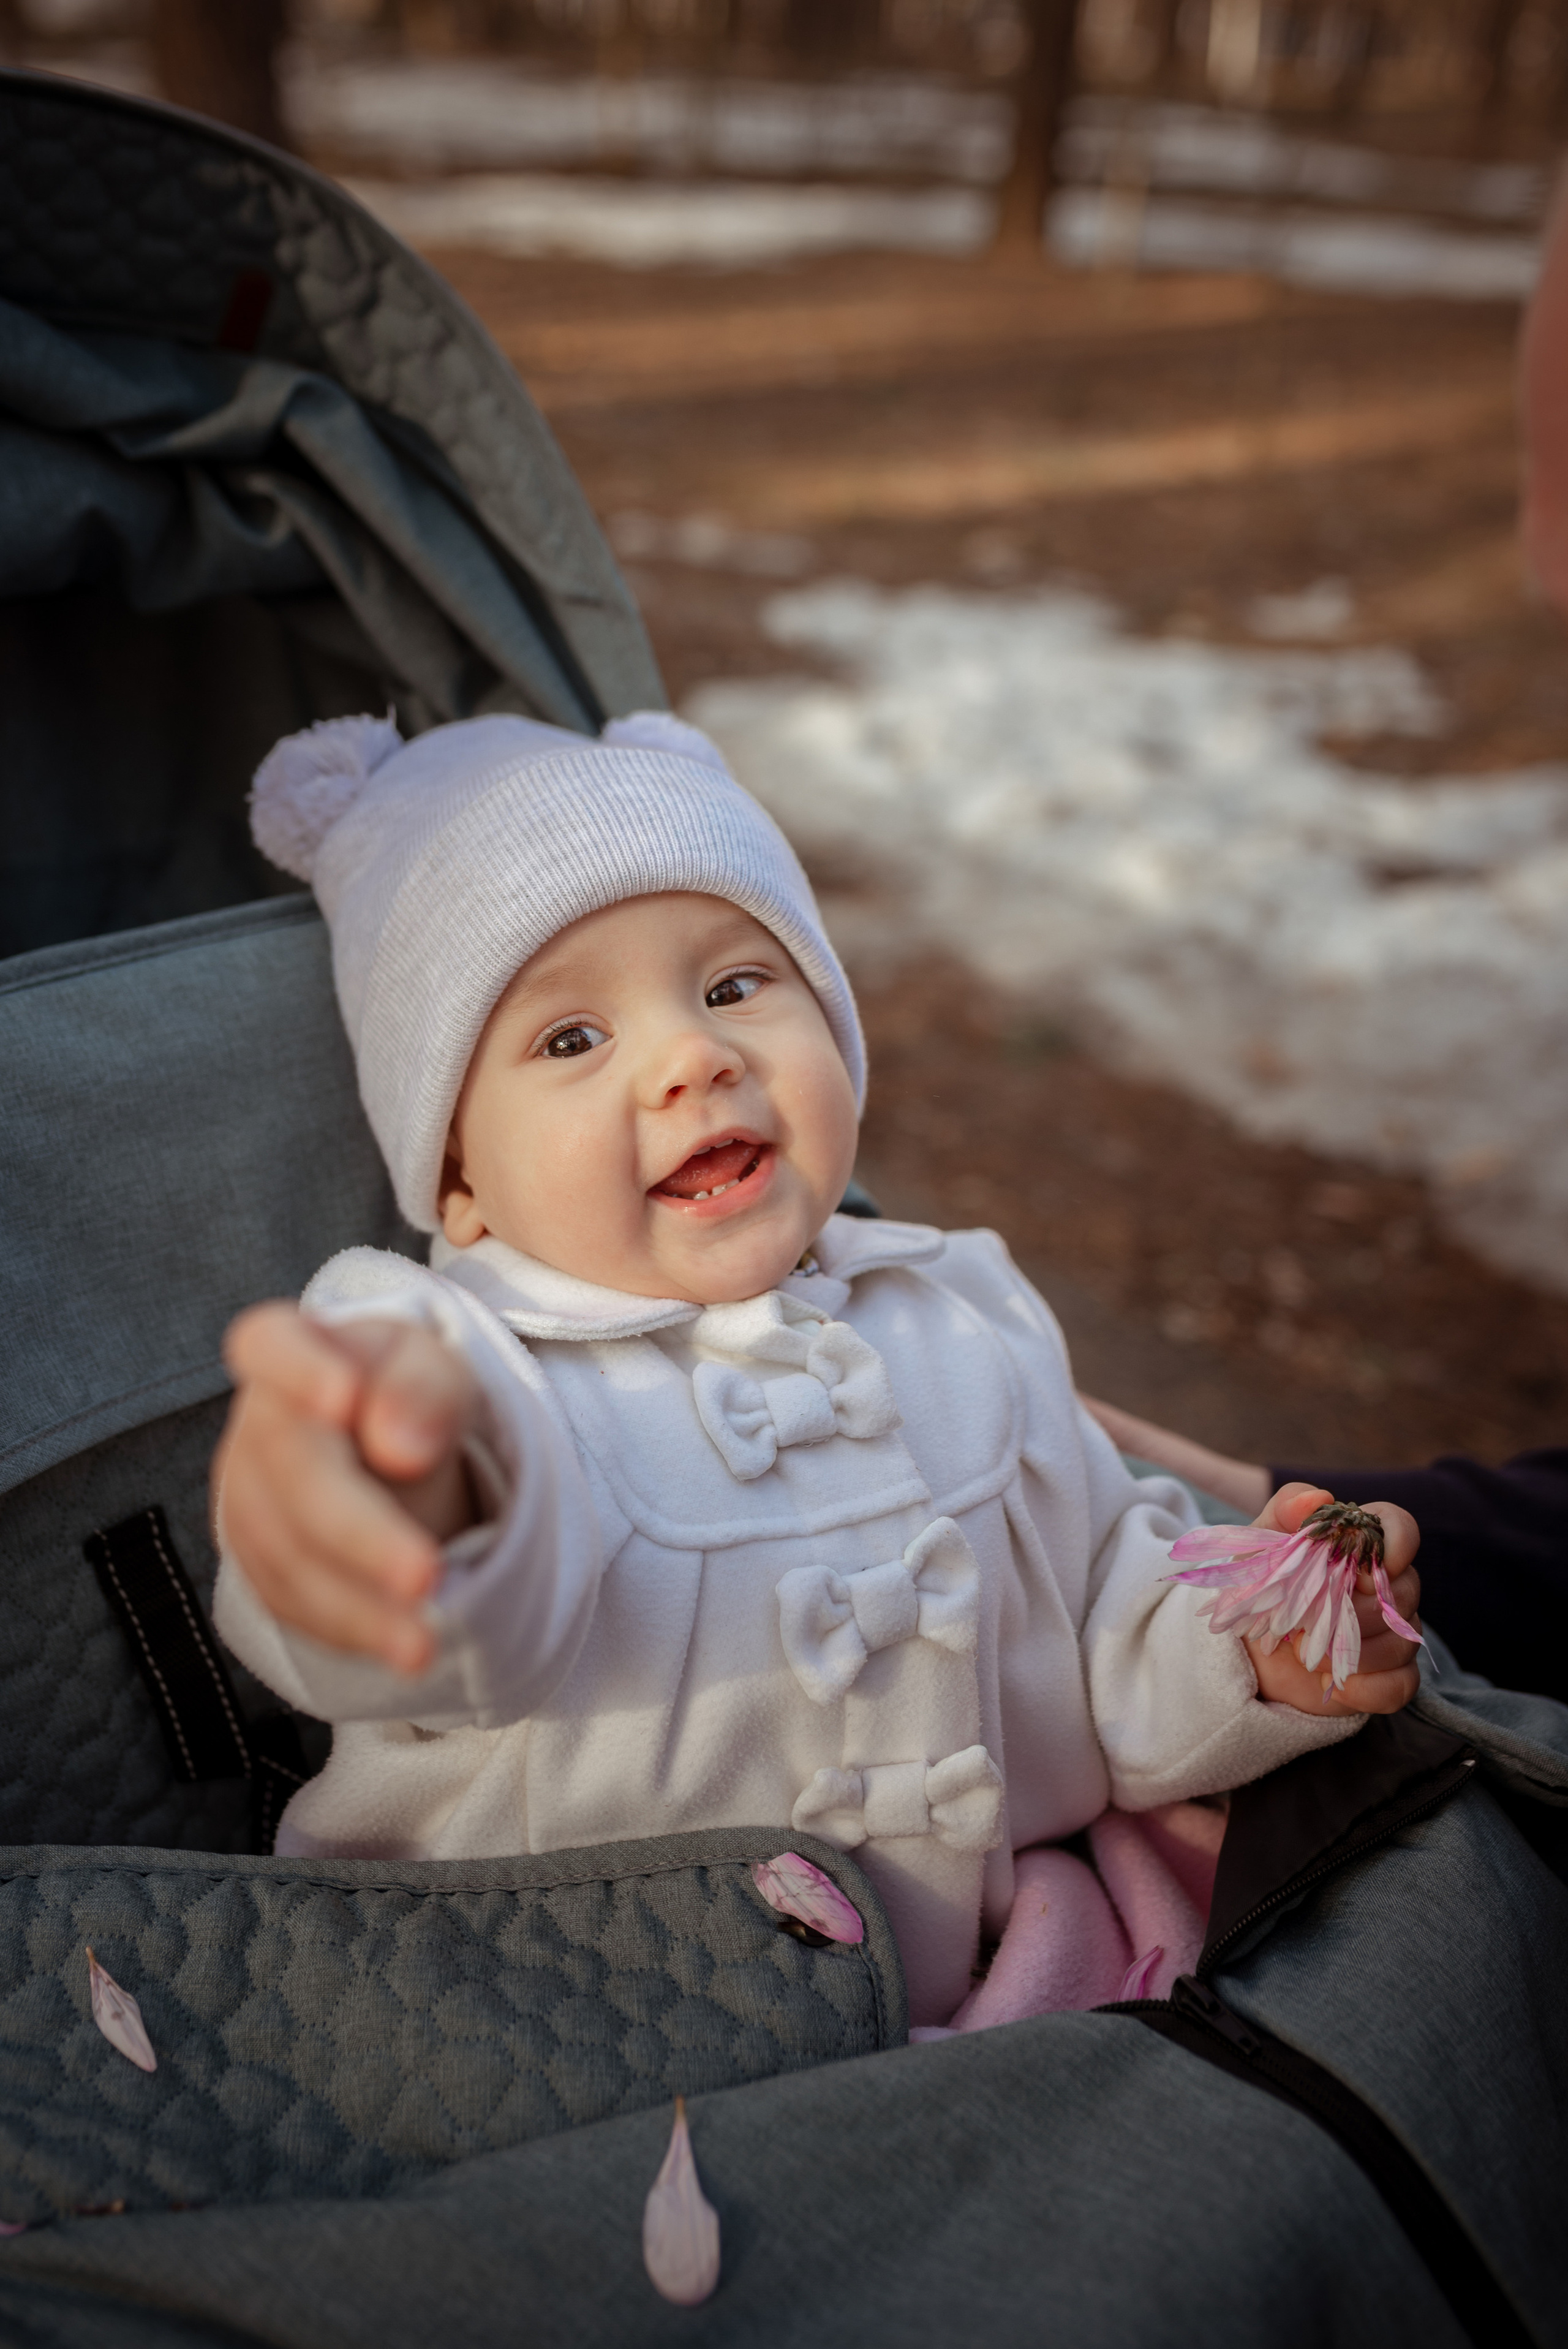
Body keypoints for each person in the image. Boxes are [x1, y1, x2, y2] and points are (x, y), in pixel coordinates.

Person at [212, 709, 1422, 2029]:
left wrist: (1247, 1660)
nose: (695, 1056)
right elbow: (408, 1611)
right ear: (455, 1176)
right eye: (571, 1040)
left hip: (992, 2001)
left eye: (735, 985)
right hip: (563, 2036)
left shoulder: (960, 1311)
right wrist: (390, 1516)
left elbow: (1096, 1625)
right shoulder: (454, 1359)